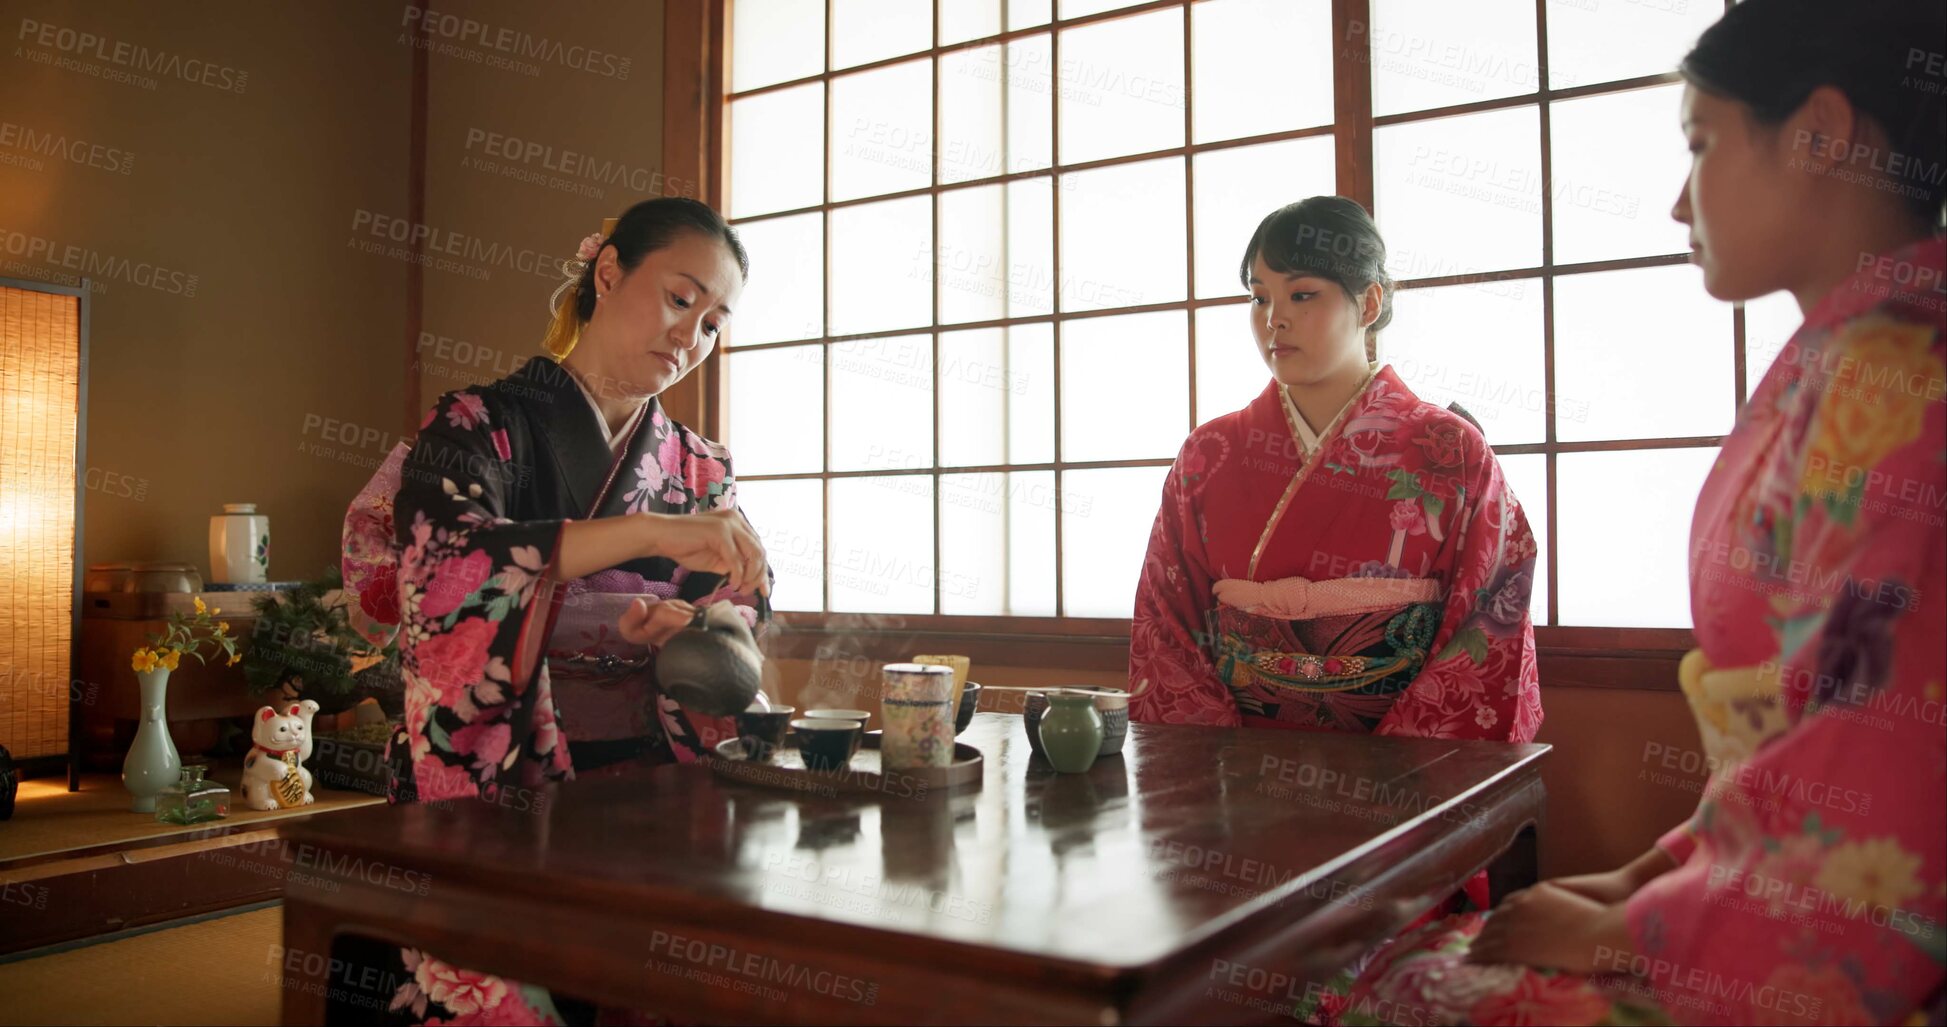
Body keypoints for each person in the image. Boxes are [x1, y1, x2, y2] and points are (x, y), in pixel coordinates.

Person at [1338, 2, 1946, 1023]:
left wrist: (1634, 928)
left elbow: (1889, 758)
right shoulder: (1850, 358)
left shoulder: (1897, 377)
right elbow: (1804, 740)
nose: (1677, 202)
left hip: (1855, 937)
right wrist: (1644, 876)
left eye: (1701, 142)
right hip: (1772, 877)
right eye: (1263, 294)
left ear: (1822, 135)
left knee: (1379, 988)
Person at [330, 196, 770, 1025]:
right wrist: (645, 531)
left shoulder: (701, 467)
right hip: (498, 773)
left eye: (715, 322)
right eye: (681, 299)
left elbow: (739, 621)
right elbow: (444, 567)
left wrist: (693, 632)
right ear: (608, 273)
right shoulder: (473, 426)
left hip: (649, 779)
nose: (692, 336)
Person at [1129, 196, 1543, 750]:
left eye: (1303, 294)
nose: (1275, 318)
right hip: (1236, 773)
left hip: (1403, 773)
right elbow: (1167, 622)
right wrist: (1213, 764)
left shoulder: (1450, 451)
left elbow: (1490, 617)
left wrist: (1402, 770)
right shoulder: (1209, 453)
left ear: (1369, 303)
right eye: (1259, 297)